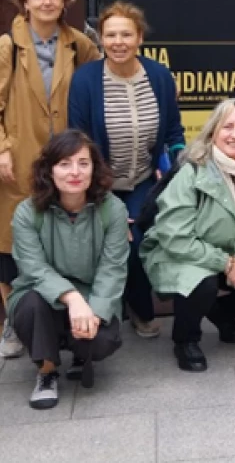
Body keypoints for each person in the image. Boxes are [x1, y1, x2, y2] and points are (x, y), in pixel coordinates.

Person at [140, 99, 235, 372]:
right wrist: (225, 263)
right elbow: (174, 236)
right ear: (213, 131)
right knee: (203, 284)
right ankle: (185, 339)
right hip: (182, 253)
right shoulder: (192, 171)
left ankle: (219, 313)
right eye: (228, 127)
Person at [68, 1, 185, 339]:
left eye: (126, 34)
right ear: (101, 38)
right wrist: (99, 194)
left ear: (139, 39)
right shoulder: (86, 80)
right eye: (110, 35)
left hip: (142, 183)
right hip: (98, 184)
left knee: (138, 245)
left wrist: (177, 167)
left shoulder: (159, 77)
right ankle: (94, 312)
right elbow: (79, 139)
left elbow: (174, 132)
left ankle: (139, 309)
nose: (118, 42)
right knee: (106, 244)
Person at [0, 0, 100, 359]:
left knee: (58, 237)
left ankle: (64, 312)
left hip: (66, 160)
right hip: (19, 161)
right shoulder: (8, 46)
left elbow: (99, 82)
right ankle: (11, 321)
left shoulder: (79, 45)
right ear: (24, 2)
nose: (46, 2)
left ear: (64, 2)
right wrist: (2, 147)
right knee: (9, 244)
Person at [7, 130, 128, 409]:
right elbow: (33, 268)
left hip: (92, 296)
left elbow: (113, 268)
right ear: (49, 170)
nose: (75, 172)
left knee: (100, 341)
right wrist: (71, 298)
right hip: (40, 295)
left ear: (94, 168)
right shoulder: (27, 212)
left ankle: (79, 353)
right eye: (64, 164)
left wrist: (93, 313)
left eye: (83, 163)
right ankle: (47, 371)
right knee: (32, 306)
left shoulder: (113, 209)